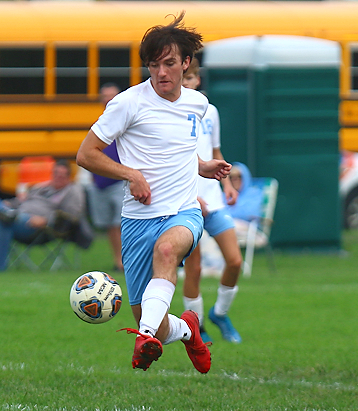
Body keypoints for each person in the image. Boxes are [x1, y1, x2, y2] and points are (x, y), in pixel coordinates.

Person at [76, 12, 231, 374]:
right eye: (153, 65)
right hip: (136, 220)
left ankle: (143, 337)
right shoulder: (128, 103)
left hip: (182, 211)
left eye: (169, 64)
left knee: (166, 252)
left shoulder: (198, 104)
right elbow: (86, 155)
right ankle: (186, 330)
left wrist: (201, 165)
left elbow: (177, 149)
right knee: (155, 317)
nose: (161, 72)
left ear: (186, 63)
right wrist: (130, 173)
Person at [181, 58, 243, 344]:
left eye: (190, 78)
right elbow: (174, 161)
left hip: (214, 201)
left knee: (234, 261)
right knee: (193, 268)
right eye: (182, 79)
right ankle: (198, 328)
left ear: (198, 81)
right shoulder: (171, 113)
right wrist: (191, 195)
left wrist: (226, 183)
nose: (186, 84)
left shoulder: (211, 112)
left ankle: (219, 313)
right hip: (186, 203)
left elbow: (215, 150)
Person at [0, 160, 85, 271]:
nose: (58, 177)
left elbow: (72, 216)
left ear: (68, 176)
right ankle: (8, 213)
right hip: (18, 215)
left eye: (62, 175)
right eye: (56, 174)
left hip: (37, 227)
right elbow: (22, 200)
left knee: (5, 223)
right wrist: (10, 203)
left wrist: (47, 220)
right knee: (4, 217)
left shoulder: (72, 191)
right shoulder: (42, 187)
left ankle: (9, 215)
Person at [87, 82, 125, 272]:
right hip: (99, 183)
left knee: (121, 223)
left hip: (120, 182)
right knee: (110, 225)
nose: (108, 99)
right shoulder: (98, 123)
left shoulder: (125, 120)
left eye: (112, 95)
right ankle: (118, 260)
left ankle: (127, 260)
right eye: (105, 96)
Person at [227, 162, 268, 248]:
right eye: (231, 177)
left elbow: (250, 213)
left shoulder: (255, 194)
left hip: (249, 230)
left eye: (239, 176)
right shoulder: (224, 195)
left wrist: (228, 214)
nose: (235, 179)